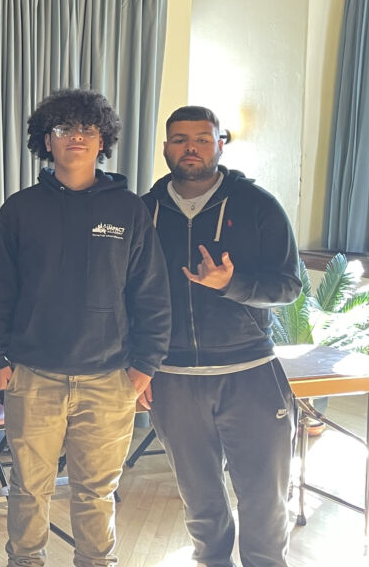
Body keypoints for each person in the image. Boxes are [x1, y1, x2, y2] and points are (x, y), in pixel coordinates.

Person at [0, 89, 171, 567]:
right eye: (64, 129)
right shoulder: (20, 209)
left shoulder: (129, 210)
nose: (76, 138)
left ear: (103, 141)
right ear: (47, 141)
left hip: (109, 379)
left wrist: (146, 365)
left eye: (86, 129)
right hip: (32, 376)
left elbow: (150, 293)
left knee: (97, 491)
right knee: (27, 488)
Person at [142, 106, 301, 567]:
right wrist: (140, 364)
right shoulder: (144, 211)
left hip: (250, 373)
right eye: (180, 139)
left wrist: (232, 285)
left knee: (265, 499)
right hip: (173, 378)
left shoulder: (258, 206)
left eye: (202, 138)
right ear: (166, 147)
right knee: (201, 502)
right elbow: (127, 294)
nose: (190, 147)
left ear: (219, 145)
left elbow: (288, 287)